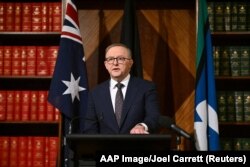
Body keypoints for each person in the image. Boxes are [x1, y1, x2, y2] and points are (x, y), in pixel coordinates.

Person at [83, 43, 160, 134]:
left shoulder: (146, 88)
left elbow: (154, 117)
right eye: (110, 59)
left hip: (136, 146)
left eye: (120, 59)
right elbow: (90, 129)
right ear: (106, 64)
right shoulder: (95, 93)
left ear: (130, 63)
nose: (115, 63)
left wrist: (142, 126)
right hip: (105, 147)